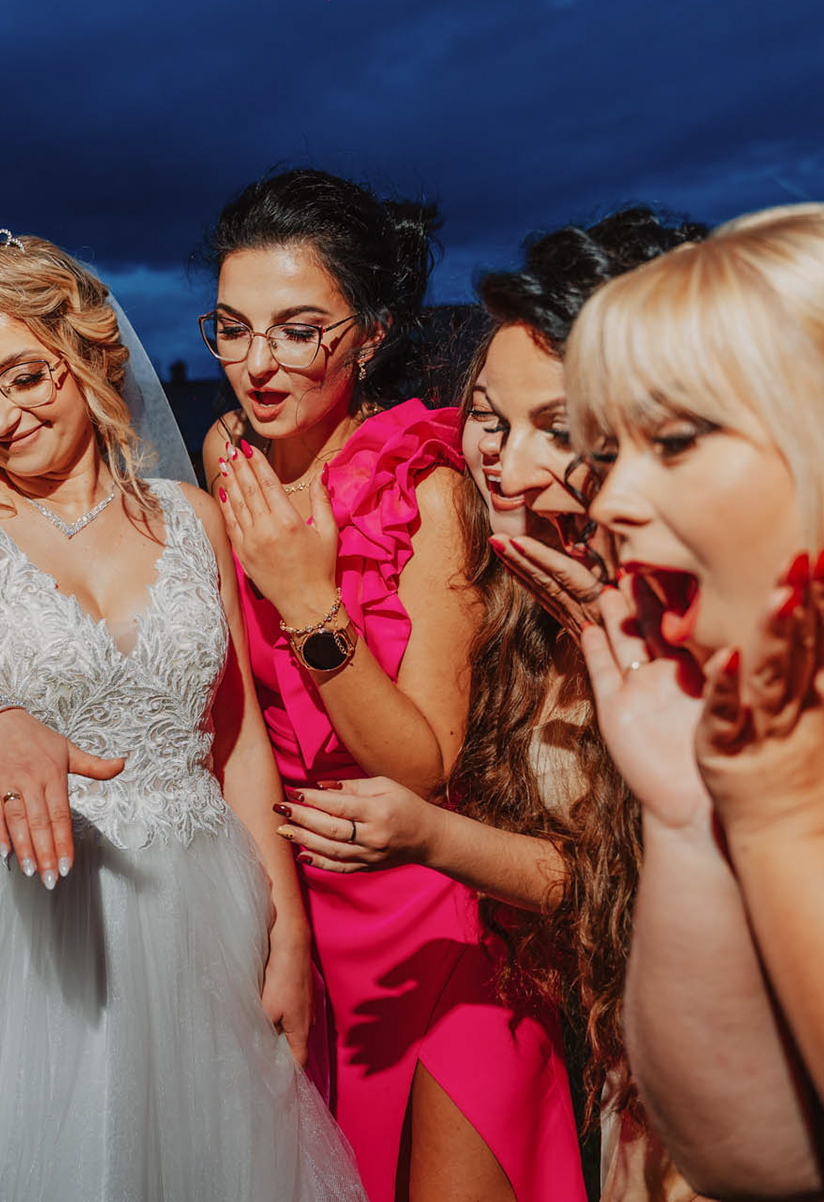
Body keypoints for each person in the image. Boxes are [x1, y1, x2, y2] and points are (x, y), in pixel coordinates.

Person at [0, 229, 362, 1200]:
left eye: (24, 375)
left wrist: (286, 934)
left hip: (199, 911)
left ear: (89, 354)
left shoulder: (194, 517)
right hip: (23, 928)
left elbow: (237, 741)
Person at [278, 208, 709, 1201]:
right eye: (488, 418)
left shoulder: (697, 613)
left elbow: (629, 882)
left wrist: (430, 833)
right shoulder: (517, 581)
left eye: (556, 430)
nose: (503, 466)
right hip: (607, 1038)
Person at [568, 202, 824, 1202]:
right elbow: (756, 1157)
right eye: (608, 453)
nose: (609, 502)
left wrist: (799, 831)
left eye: (674, 440)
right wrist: (692, 818)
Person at [205, 168, 581, 1202]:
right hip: (296, 904)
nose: (258, 363)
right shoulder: (228, 455)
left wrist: (307, 600)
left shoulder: (428, 487)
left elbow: (423, 759)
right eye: (233, 329)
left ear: (369, 335)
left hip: (433, 909)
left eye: (298, 330)